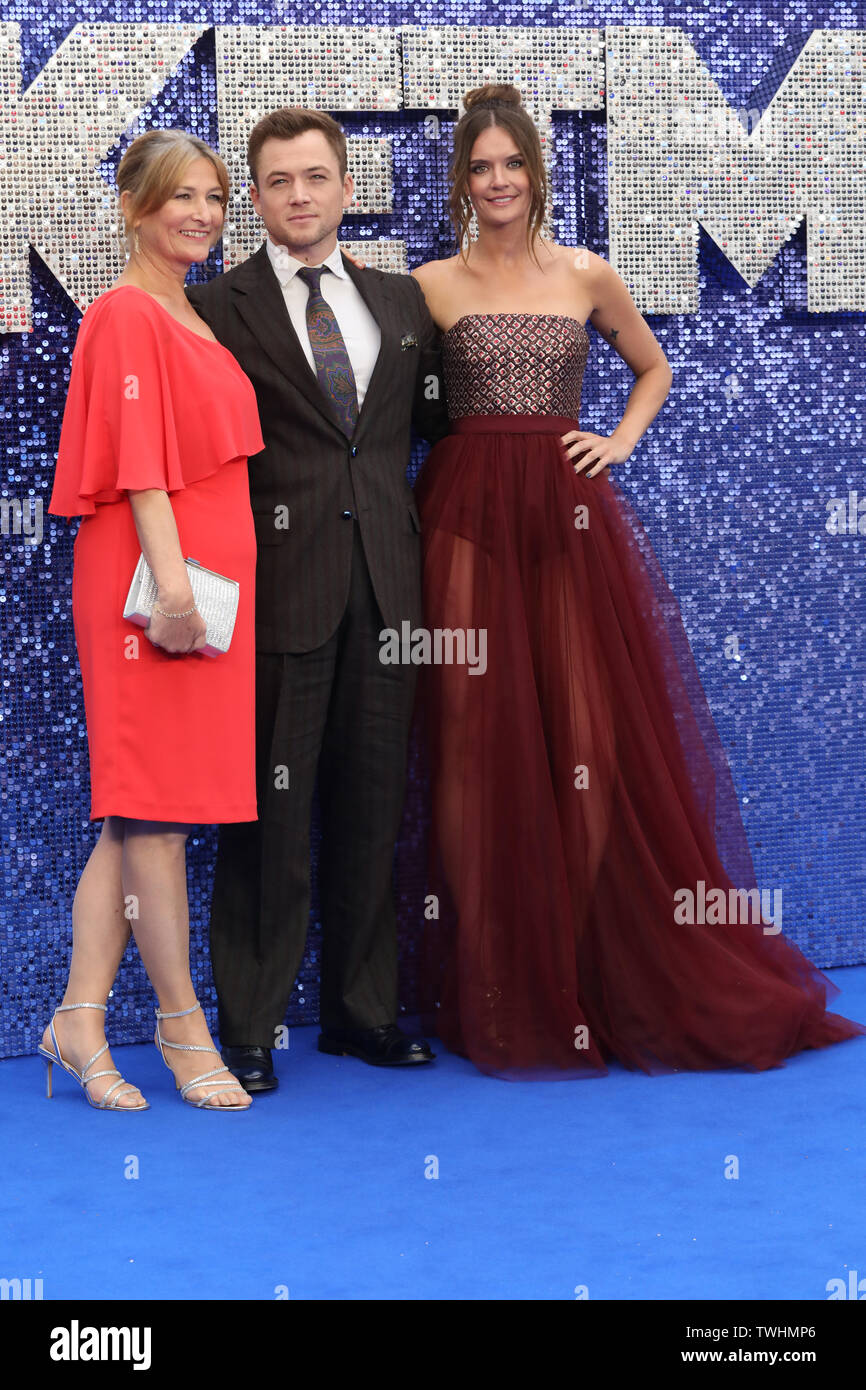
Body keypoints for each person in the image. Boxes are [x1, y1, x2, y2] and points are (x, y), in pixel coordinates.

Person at [410, 84, 866, 1080]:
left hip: (569, 521)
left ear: (537, 173)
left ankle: (585, 957)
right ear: (461, 180)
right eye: (478, 166)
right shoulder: (429, 286)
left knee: (590, 744)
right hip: (462, 519)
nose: (495, 181)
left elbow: (651, 369)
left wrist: (615, 439)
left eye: (511, 163)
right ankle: (495, 971)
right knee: (466, 744)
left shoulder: (585, 273)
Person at [185, 108, 450, 1091]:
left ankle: (361, 1013)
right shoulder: (218, 309)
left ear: (345, 188)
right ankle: (248, 1027)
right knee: (270, 820)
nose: (298, 195)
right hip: (278, 596)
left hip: (391, 592)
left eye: (314, 177)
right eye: (277, 181)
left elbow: (441, 432)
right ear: (254, 199)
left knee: (373, 813)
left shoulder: (404, 302)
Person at [44, 129, 264, 1109]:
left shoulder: (192, 309)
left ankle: (77, 1021)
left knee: (136, 813)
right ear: (135, 206)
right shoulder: (129, 314)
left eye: (215, 198)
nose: (203, 215)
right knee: (157, 818)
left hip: (200, 588)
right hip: (156, 585)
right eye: (182, 197)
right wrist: (171, 589)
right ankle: (182, 1030)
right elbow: (138, 465)